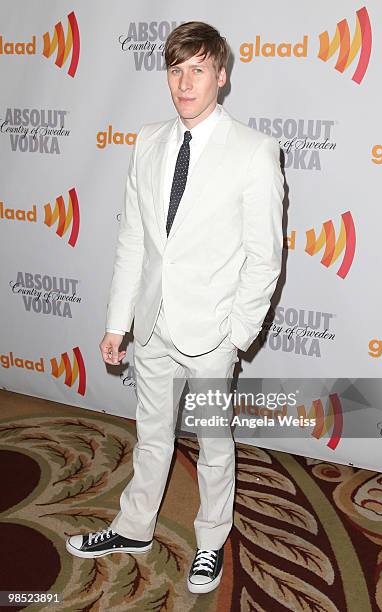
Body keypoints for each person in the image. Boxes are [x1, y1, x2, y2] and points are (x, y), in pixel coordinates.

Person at [66, 21, 285, 595]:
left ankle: (212, 539)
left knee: (214, 444)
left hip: (214, 331)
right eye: (176, 70)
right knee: (151, 435)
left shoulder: (255, 152)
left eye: (198, 69)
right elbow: (134, 240)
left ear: (222, 76)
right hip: (154, 325)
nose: (185, 83)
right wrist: (120, 321)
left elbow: (265, 258)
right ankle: (134, 526)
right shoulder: (148, 140)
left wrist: (236, 335)